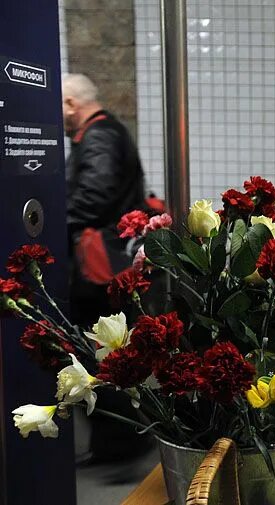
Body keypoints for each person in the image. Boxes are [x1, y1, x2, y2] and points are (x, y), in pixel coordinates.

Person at [62, 73, 149, 464]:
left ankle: (118, 444)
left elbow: (93, 197)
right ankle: (119, 440)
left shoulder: (98, 137)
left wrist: (47, 225)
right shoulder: (108, 132)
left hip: (100, 269)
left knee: (101, 351)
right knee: (108, 350)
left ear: (71, 104)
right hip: (110, 264)